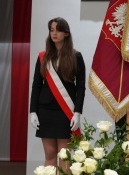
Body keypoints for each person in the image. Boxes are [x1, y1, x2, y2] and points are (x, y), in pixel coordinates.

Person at [29, 17, 86, 172]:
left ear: (66, 33)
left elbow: (80, 87)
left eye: (58, 29)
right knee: (50, 153)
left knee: (64, 155)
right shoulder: (43, 57)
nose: (54, 33)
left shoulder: (76, 56)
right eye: (52, 30)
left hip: (65, 111)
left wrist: (77, 112)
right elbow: (36, 85)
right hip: (45, 110)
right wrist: (33, 110)